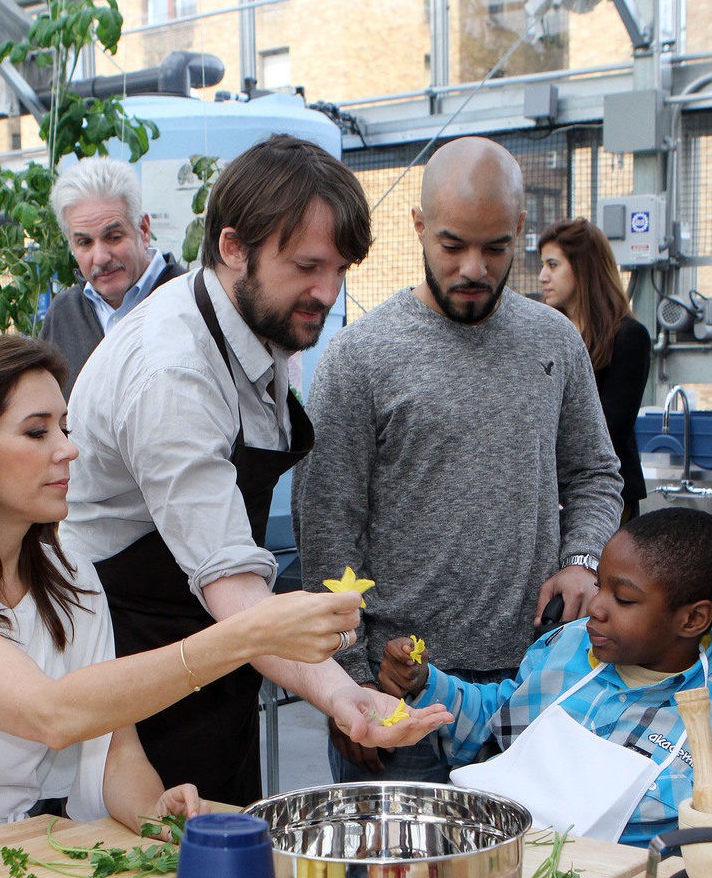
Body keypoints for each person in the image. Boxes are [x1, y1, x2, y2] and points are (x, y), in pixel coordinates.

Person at [0, 336, 365, 872]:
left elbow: (114, 748)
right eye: (37, 431)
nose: (68, 448)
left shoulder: (69, 579)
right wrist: (249, 635)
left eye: (66, 427)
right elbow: (51, 713)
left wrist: (153, 811)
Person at [61, 134, 451, 806]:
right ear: (233, 247)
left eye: (339, 270)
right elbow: (235, 593)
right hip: (134, 660)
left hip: (217, 652)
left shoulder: (247, 321)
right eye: (306, 267)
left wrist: (339, 694)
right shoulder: (172, 375)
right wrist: (343, 695)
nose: (326, 292)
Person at [293, 135, 624, 786]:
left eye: (494, 246)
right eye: (452, 245)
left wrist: (583, 560)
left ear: (521, 231)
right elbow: (328, 529)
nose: (473, 266)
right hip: (401, 689)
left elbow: (594, 473)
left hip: (530, 688)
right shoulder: (361, 358)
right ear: (418, 227)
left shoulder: (554, 341)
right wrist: (352, 680)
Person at [378, 509, 712, 847]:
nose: (595, 607)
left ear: (692, 620)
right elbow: (496, 719)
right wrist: (425, 682)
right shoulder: (569, 644)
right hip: (496, 854)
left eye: (622, 599)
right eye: (600, 586)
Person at [40, 156, 186, 398]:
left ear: (144, 229)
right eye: (84, 242)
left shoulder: (191, 301)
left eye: (113, 237)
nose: (100, 257)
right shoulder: (63, 315)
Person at [539, 217, 651, 520]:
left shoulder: (628, 336)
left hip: (606, 498)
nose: (542, 276)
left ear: (583, 267)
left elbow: (610, 427)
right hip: (551, 495)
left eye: (553, 265)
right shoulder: (546, 335)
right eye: (543, 265)